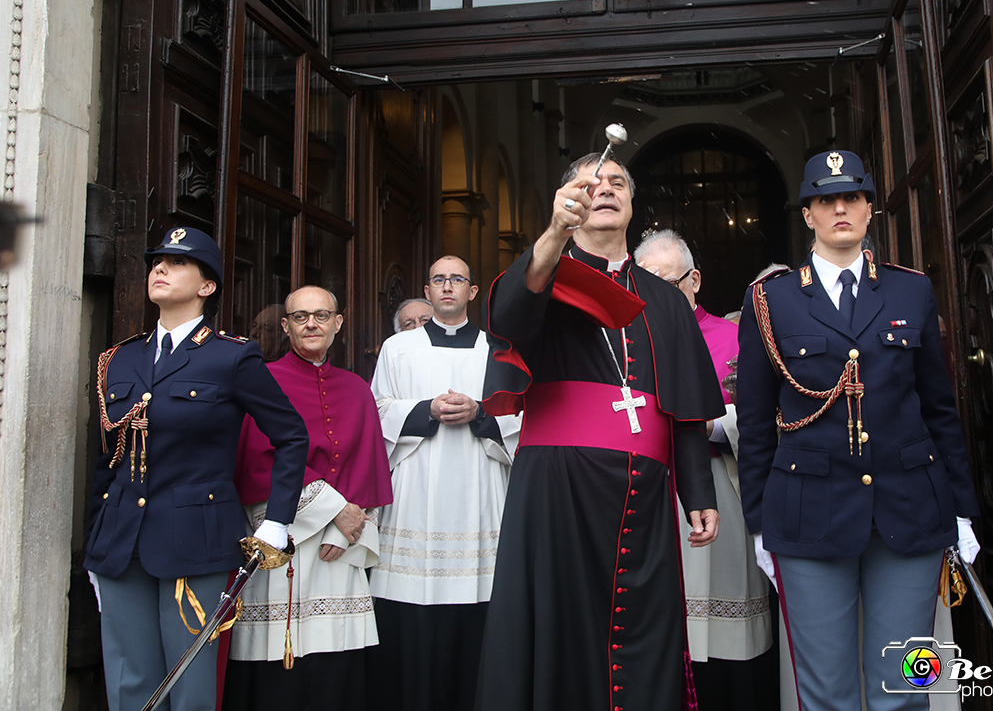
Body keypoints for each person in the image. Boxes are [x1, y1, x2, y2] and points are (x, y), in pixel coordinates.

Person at [474, 153, 725, 711]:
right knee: (561, 621)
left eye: (616, 183)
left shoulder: (664, 299)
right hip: (559, 488)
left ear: (632, 204)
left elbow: (683, 404)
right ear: (570, 202)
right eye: (589, 184)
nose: (604, 190)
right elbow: (510, 319)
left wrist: (698, 493)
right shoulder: (545, 274)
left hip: (645, 494)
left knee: (647, 626)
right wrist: (553, 236)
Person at [735, 152, 980, 711]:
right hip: (808, 513)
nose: (840, 208)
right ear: (808, 216)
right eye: (826, 199)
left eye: (852, 198)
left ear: (870, 210)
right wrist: (757, 525)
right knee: (827, 695)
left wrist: (962, 510)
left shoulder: (910, 291)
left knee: (907, 687)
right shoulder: (769, 301)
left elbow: (940, 408)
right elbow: (754, 422)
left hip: (912, 509)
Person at [86, 226, 308, 711]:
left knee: (188, 684)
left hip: (197, 538)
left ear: (207, 286)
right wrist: (95, 543)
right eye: (156, 261)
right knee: (128, 679)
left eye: (176, 262)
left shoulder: (232, 356)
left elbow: (292, 436)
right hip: (121, 540)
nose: (159, 269)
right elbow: (108, 455)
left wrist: (276, 520)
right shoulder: (119, 359)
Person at [225, 286, 393, 709]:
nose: (312, 324)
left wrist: (354, 525)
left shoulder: (356, 388)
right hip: (286, 535)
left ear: (338, 323)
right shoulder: (262, 380)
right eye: (301, 317)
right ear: (286, 326)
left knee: (337, 656)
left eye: (321, 315)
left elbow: (369, 465)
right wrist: (335, 510)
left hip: (342, 546)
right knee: (282, 660)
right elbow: (258, 462)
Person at [368, 256, 521, 711]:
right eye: (439, 279)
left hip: (481, 488)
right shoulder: (398, 348)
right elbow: (376, 412)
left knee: (481, 611)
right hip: (416, 494)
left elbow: (523, 416)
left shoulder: (499, 350)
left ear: (472, 292)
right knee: (413, 622)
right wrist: (423, 411)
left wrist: (480, 412)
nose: (448, 286)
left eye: (457, 280)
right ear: (428, 290)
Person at [635, 229, 774, 711]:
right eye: (642, 285)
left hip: (720, 487)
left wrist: (711, 424)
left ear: (694, 280)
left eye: (667, 285)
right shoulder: (625, 343)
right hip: (646, 492)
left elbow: (764, 415)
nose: (654, 298)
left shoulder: (735, 336)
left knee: (724, 629)